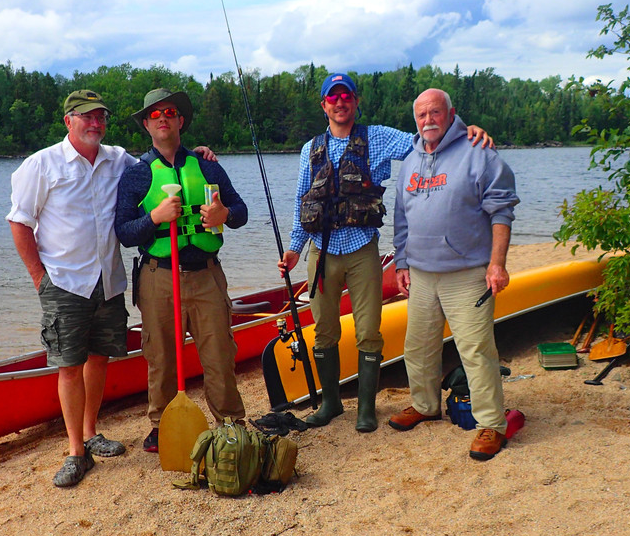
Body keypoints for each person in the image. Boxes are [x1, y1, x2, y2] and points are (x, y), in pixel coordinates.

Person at [278, 72, 491, 433]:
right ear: (324, 105)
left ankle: (365, 409)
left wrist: (466, 133)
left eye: (347, 97)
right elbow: (304, 201)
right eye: (333, 98)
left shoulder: (376, 136)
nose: (340, 103)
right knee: (324, 330)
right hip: (321, 253)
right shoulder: (309, 149)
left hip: (362, 250)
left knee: (368, 332)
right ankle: (330, 404)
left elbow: (426, 140)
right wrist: (294, 249)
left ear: (356, 102)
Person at [7, 89, 133, 488]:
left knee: (100, 358)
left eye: (101, 118)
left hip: (108, 280)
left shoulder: (118, 159)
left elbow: (155, 167)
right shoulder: (41, 165)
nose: (95, 124)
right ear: (69, 121)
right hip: (63, 282)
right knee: (68, 365)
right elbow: (20, 222)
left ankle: (93, 431)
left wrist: (197, 153)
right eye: (87, 117)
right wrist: (38, 278)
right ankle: (76, 450)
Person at [115, 88, 248, 453]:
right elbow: (124, 232)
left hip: (206, 274)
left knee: (219, 354)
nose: (163, 119)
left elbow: (241, 211)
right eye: (154, 114)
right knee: (160, 358)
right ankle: (163, 425)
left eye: (169, 112)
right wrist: (155, 218)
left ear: (181, 121)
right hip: (159, 276)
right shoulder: (137, 175)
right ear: (146, 124)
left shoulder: (207, 165)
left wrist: (226, 215)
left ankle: (230, 422)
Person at [390, 88, 519, 461]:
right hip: (421, 273)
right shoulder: (411, 160)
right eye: (421, 115)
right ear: (415, 119)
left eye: (435, 113)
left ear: (451, 113)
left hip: (467, 274)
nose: (428, 120)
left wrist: (497, 264)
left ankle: (491, 425)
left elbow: (502, 212)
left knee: (476, 350)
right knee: (418, 347)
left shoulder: (479, 153)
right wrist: (401, 262)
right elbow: (402, 217)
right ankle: (425, 405)